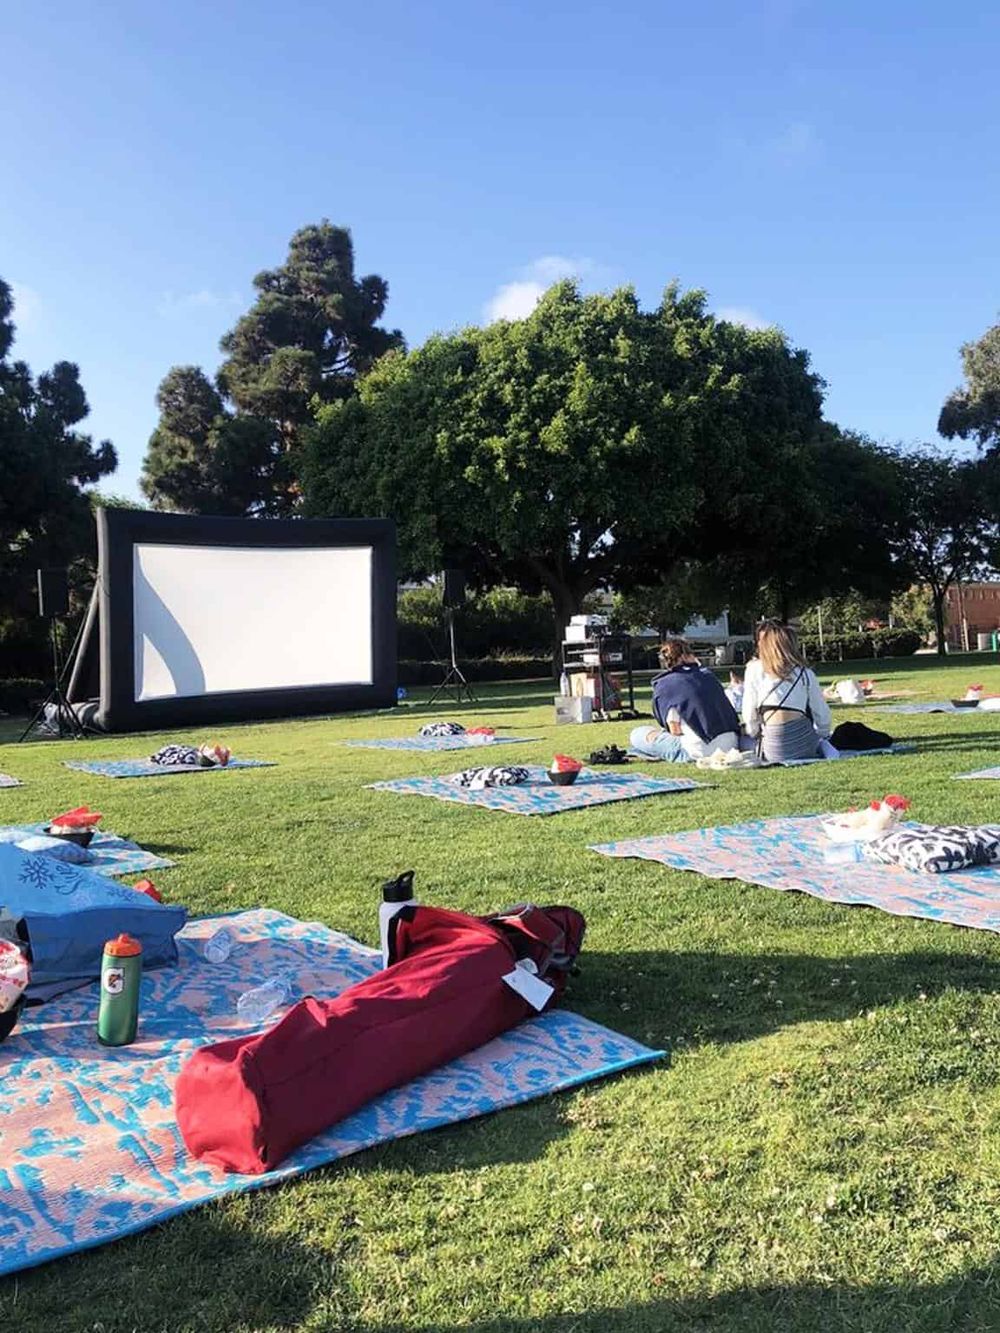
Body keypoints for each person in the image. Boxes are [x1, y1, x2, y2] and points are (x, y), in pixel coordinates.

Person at [629, 639, 741, 762]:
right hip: (731, 744)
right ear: (686, 656)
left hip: (697, 751)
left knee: (637, 734)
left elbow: (674, 730)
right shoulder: (708, 676)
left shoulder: (667, 685)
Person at [742, 620, 831, 763]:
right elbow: (821, 713)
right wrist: (823, 733)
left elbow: (749, 712)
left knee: (742, 741)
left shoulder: (754, 669)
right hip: (804, 744)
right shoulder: (805, 673)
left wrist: (753, 732)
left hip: (773, 748)